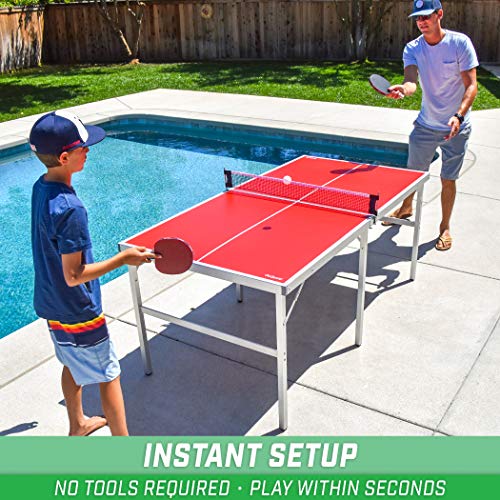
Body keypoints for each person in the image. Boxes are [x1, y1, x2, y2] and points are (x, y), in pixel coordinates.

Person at [29, 111, 156, 436]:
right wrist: (124, 259)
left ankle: (78, 424)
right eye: (82, 147)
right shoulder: (71, 209)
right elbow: (74, 275)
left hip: (51, 302)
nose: (88, 151)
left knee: (72, 362)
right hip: (78, 309)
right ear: (64, 157)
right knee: (109, 373)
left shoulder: (41, 187)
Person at [385, 0, 478, 251]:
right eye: (418, 18)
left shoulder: (459, 43)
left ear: (439, 14)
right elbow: (411, 81)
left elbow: (471, 86)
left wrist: (458, 116)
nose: (421, 22)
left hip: (456, 126)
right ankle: (406, 208)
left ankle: (444, 227)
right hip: (426, 125)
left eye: (426, 16)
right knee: (412, 175)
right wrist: (403, 89)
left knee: (448, 179)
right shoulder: (413, 48)